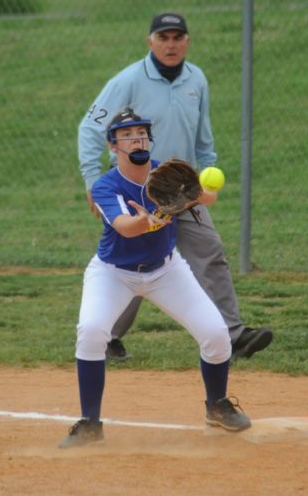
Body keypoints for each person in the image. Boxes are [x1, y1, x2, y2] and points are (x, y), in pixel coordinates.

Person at [78, 12, 272, 362]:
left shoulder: (196, 78)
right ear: (150, 42)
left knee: (209, 249)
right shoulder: (128, 80)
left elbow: (203, 137)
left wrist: (206, 175)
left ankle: (233, 334)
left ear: (187, 41)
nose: (171, 44)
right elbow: (91, 128)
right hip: (135, 188)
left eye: (177, 37)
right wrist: (93, 180)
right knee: (135, 260)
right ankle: (107, 337)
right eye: (163, 38)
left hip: (183, 188)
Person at [59, 109, 251, 448]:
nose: (137, 139)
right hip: (113, 273)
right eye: (127, 134)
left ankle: (217, 406)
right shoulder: (106, 186)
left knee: (216, 333)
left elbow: (208, 198)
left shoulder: (168, 176)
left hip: (165, 270)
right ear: (113, 146)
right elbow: (125, 227)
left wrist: (199, 191)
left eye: (141, 133)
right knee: (91, 330)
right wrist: (148, 219)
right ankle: (90, 424)